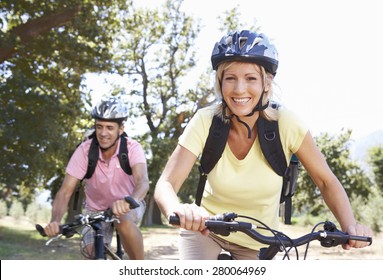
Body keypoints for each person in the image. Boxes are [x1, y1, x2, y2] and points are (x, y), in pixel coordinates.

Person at [154, 30, 373, 260]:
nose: (239, 89)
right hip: (206, 230)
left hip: (260, 241)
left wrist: (350, 226)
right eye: (230, 78)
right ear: (220, 82)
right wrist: (177, 209)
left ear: (266, 84)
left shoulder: (286, 124)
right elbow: (166, 183)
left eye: (250, 78)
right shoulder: (205, 121)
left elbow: (326, 181)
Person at [44, 96, 149, 260]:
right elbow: (65, 192)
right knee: (91, 253)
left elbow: (142, 182)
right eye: (99, 126)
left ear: (120, 129)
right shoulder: (85, 151)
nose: (103, 133)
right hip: (95, 210)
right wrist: (55, 221)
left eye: (109, 127)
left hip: (129, 204)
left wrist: (130, 201)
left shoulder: (132, 148)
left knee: (124, 220)